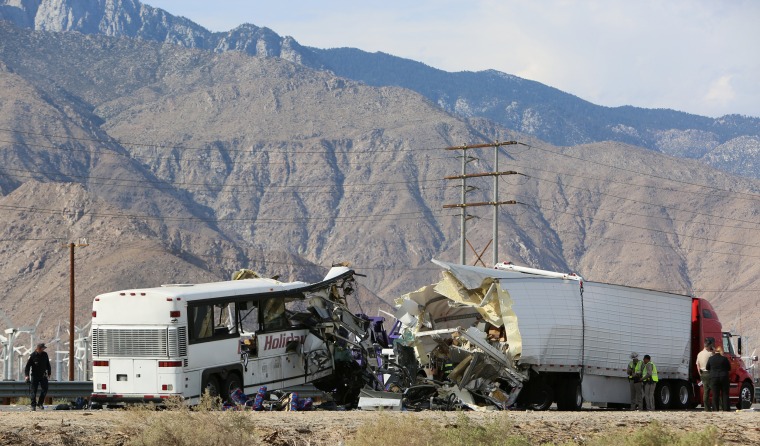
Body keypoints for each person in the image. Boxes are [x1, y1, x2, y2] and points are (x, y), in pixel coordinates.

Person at [24, 343, 52, 411]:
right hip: (34, 375)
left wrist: (49, 373)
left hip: (43, 375)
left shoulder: (45, 354)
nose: (43, 349)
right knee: (33, 391)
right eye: (42, 348)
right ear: (39, 348)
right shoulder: (32, 355)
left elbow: (48, 364)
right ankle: (33, 405)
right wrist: (27, 376)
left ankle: (40, 403)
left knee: (45, 389)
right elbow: (27, 367)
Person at [706, 345, 731, 411]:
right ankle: (726, 409)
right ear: (721, 351)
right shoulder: (724, 359)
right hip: (724, 377)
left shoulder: (711, 358)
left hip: (714, 377)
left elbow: (707, 367)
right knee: (725, 393)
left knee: (715, 394)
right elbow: (729, 368)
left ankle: (715, 409)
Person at [695, 339, 715, 411]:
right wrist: (713, 351)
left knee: (706, 391)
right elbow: (714, 361)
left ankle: (707, 408)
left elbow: (697, 365)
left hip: (703, 374)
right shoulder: (710, 354)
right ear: (709, 346)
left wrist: (700, 373)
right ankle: (718, 407)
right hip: (709, 373)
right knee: (714, 390)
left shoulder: (699, 354)